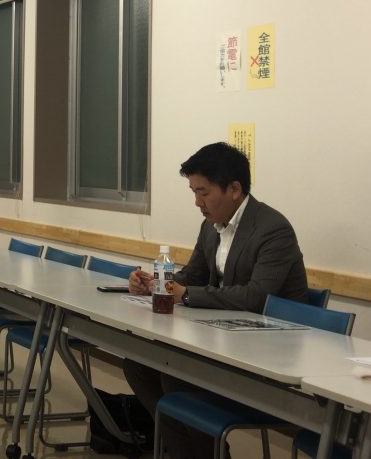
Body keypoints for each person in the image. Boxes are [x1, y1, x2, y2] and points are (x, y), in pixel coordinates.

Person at [122, 142, 307, 459]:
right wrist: (155, 284)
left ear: (234, 189)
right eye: (194, 192)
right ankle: (185, 451)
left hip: (269, 350)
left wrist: (185, 294)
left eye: (203, 192)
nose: (198, 202)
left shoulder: (272, 229)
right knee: (139, 364)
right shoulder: (211, 226)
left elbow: (256, 297)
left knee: (176, 375)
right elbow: (192, 275)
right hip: (224, 337)